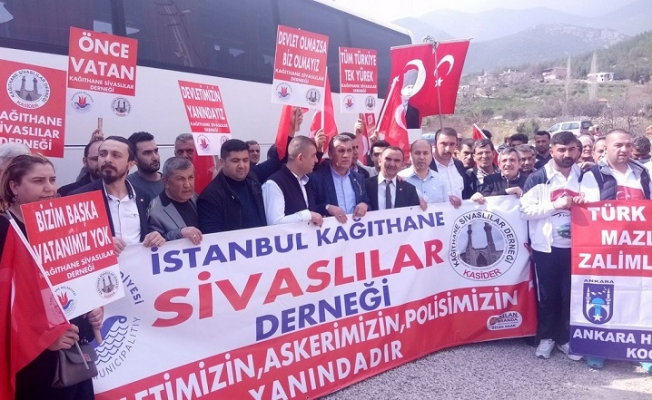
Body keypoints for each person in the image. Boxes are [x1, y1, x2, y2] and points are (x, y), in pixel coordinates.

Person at [0, 153, 103, 400]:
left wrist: (95, 306)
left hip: (75, 347)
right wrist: (43, 338)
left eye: (52, 179)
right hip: (33, 359)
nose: (49, 188)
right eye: (38, 181)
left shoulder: (65, 222)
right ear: (14, 186)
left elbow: (78, 277)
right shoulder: (4, 230)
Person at [578, 129, 652, 369]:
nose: (624, 149)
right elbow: (590, 211)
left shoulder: (642, 173)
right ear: (606, 148)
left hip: (638, 249)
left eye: (628, 145)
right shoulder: (593, 176)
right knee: (604, 295)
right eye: (618, 145)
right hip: (606, 250)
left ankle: (641, 348)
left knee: (640, 295)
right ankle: (599, 349)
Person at [520, 131, 583, 361]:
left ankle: (565, 339)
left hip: (577, 247)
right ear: (552, 150)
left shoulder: (584, 176)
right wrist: (555, 205)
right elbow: (524, 211)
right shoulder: (538, 177)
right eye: (562, 150)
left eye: (572, 149)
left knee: (569, 295)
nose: (567, 154)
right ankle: (546, 337)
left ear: (578, 150)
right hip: (546, 247)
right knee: (547, 295)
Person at [71, 136, 165, 252]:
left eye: (116, 155)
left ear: (130, 164)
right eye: (102, 154)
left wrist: (155, 237)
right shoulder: (79, 198)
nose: (107, 159)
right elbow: (69, 243)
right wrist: (99, 243)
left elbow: (150, 231)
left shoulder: (143, 197)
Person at [198, 138, 287, 233]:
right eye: (235, 161)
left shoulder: (252, 176)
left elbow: (277, 160)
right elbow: (212, 235)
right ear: (222, 162)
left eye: (245, 160)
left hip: (262, 240)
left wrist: (289, 132)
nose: (242, 165)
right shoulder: (210, 197)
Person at [308, 135, 369, 223]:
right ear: (330, 154)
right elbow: (309, 208)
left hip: (356, 229)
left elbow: (367, 201)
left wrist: (365, 205)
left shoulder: (359, 178)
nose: (346, 155)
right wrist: (327, 207)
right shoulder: (316, 179)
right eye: (341, 151)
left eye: (349, 150)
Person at [262, 136, 323, 226]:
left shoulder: (306, 181)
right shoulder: (274, 184)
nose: (316, 160)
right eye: (313, 156)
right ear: (300, 158)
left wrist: (327, 208)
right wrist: (308, 215)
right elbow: (275, 223)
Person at [147, 157, 202, 244]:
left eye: (190, 177)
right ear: (166, 182)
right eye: (180, 179)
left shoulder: (196, 198)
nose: (187, 185)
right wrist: (179, 233)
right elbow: (153, 246)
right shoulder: (155, 212)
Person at [429, 127, 475, 203]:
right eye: (443, 144)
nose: (448, 149)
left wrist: (474, 196)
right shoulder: (427, 166)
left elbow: (465, 192)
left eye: (452, 144)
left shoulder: (458, 165)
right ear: (435, 144)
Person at [365, 146, 420, 211]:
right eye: (388, 159)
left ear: (402, 165)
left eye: (397, 161)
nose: (392, 164)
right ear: (379, 161)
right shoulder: (366, 185)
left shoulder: (409, 190)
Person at [398, 139, 448, 206]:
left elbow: (446, 207)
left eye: (425, 153)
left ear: (431, 156)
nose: (421, 157)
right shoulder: (400, 178)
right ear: (410, 155)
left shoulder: (440, 179)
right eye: (417, 153)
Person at [127, 131, 164, 199]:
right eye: (147, 153)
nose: (155, 157)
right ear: (134, 159)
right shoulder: (127, 185)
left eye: (156, 151)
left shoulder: (170, 183)